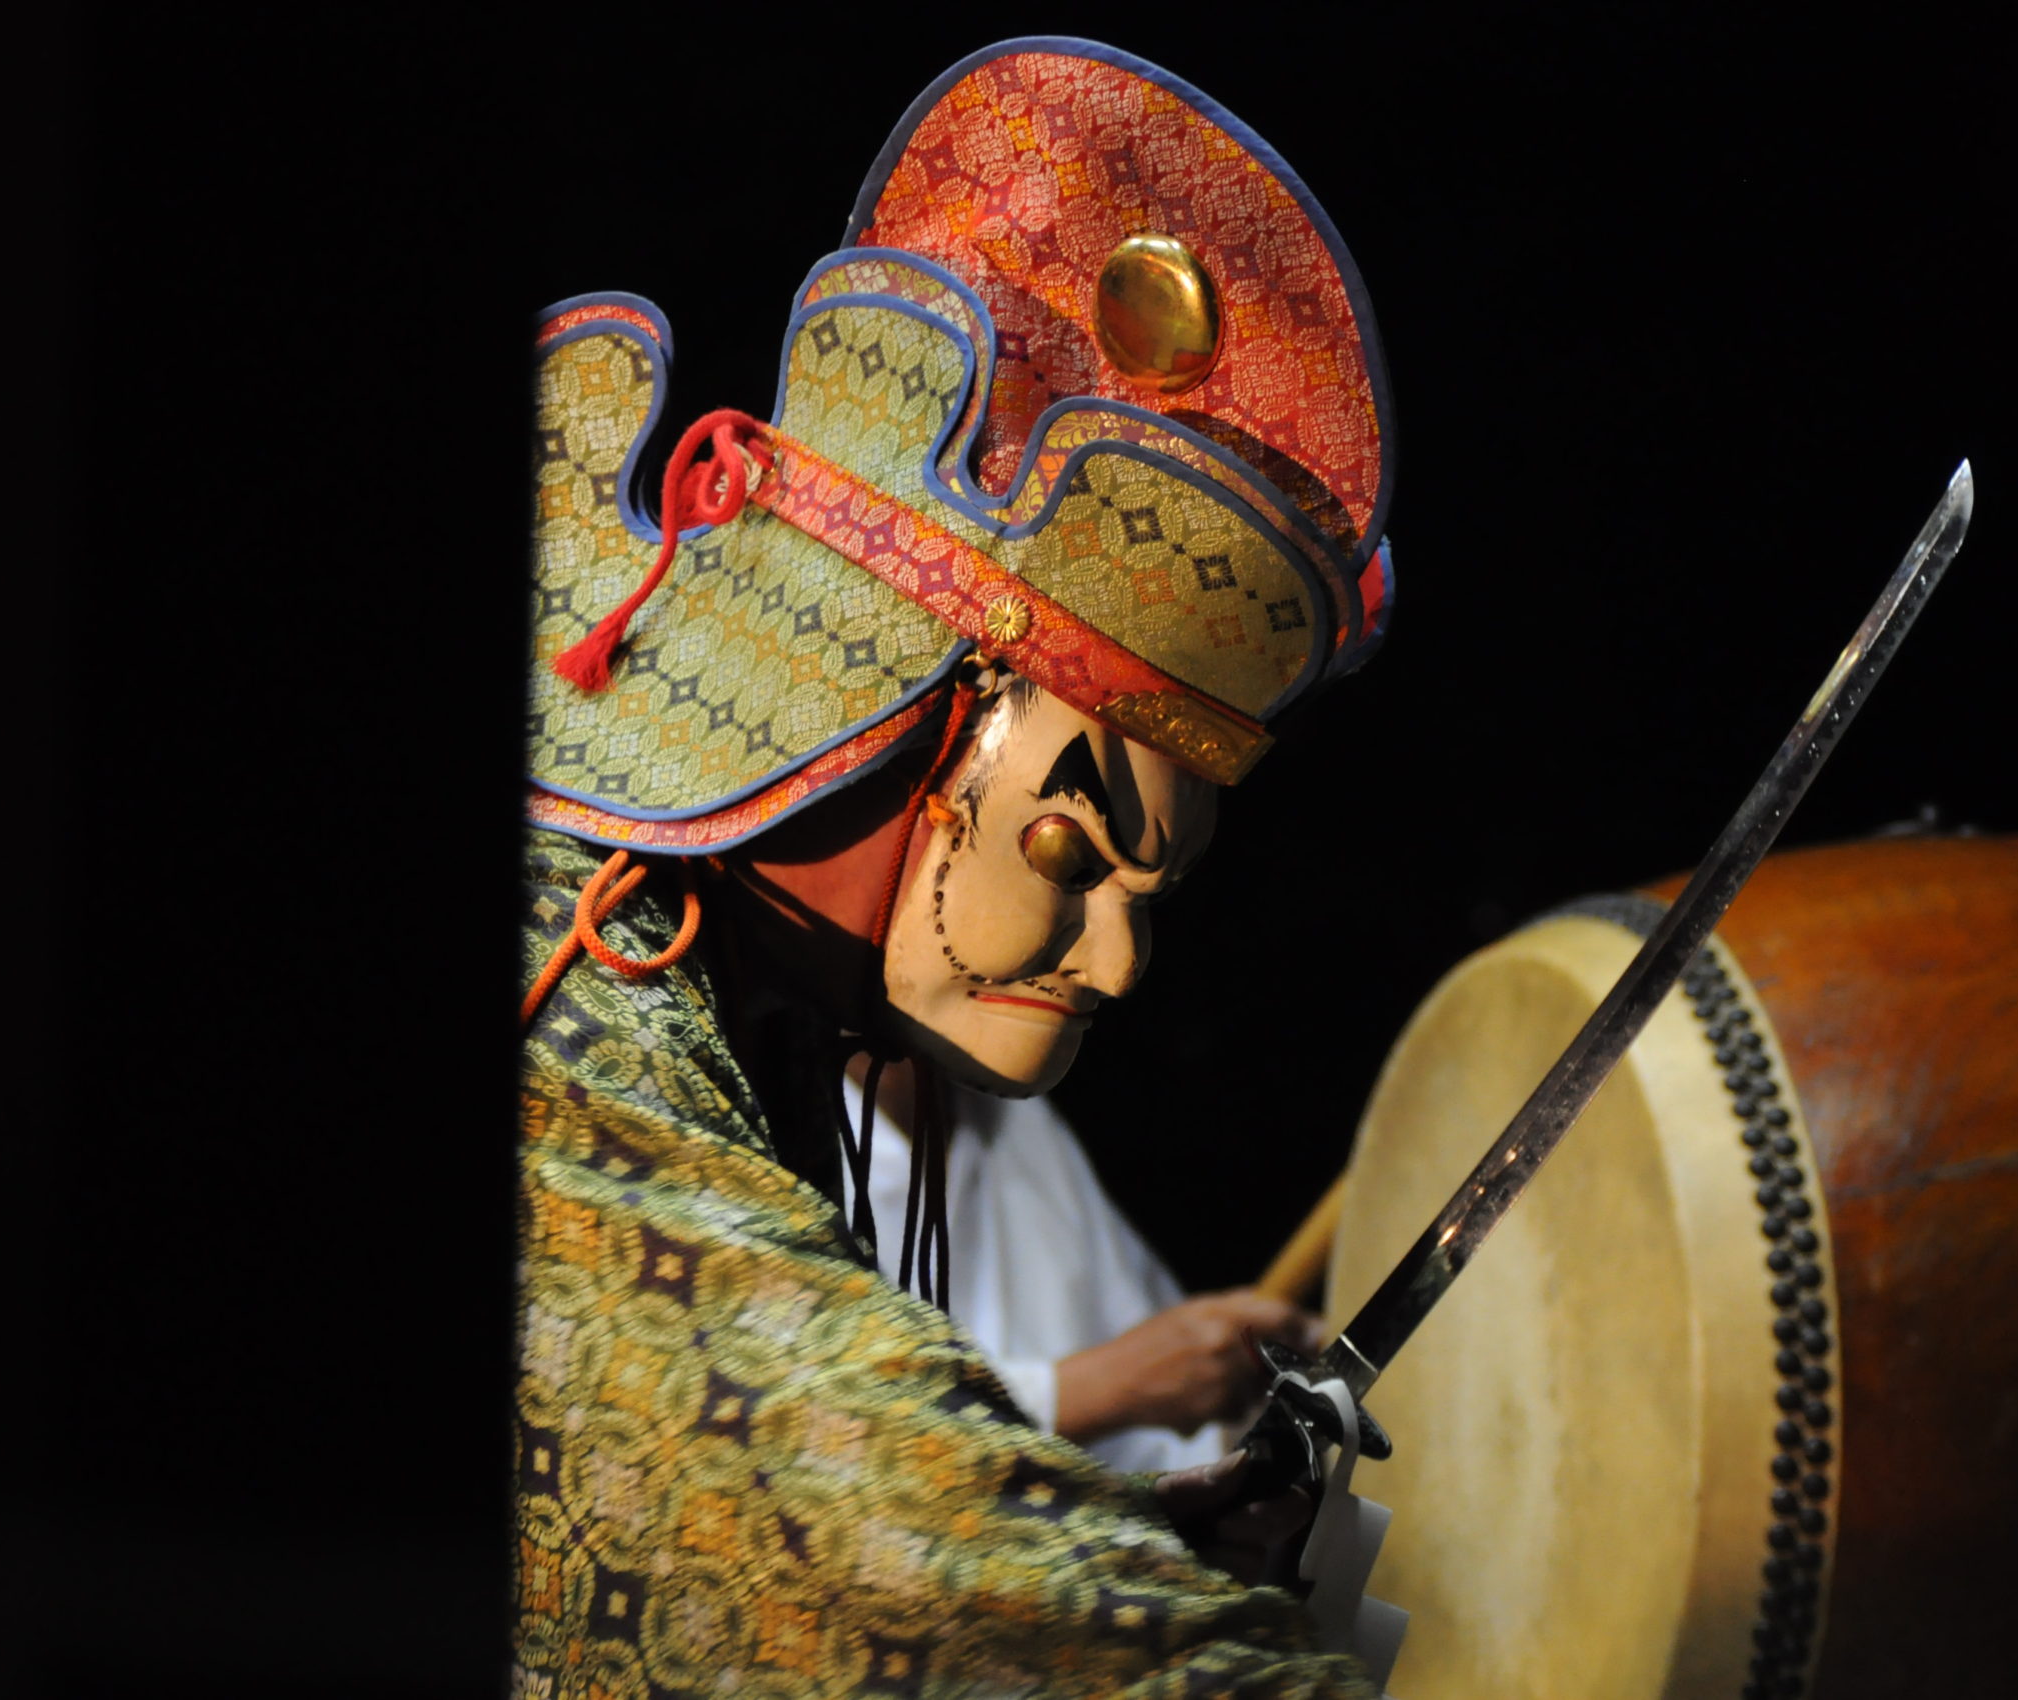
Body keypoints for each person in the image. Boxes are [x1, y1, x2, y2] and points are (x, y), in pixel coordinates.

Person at [516, 37, 1398, 1693]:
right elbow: (866, 1532)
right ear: (918, 730)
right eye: (1076, 846)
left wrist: (1121, 1538)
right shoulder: (582, 1037)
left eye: (1156, 899)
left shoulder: (723, 1003)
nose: (1120, 962)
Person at [846, 1056, 1323, 1475]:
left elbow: (1166, 1437)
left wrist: (1252, 1423)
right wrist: (1104, 1385)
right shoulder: (779, 1149)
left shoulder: (1011, 1110)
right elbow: (837, 1441)